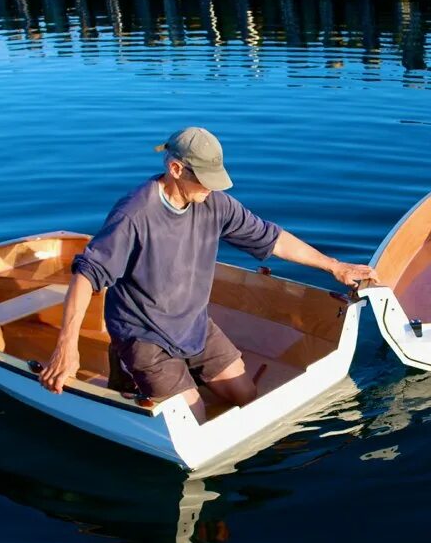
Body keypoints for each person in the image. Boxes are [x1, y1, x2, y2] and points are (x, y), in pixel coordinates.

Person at [39, 127, 378, 423]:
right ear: (175, 168)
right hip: (145, 337)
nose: (211, 189)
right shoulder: (134, 215)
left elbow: (272, 238)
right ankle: (131, 372)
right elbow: (87, 275)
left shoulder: (215, 203)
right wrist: (66, 346)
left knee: (248, 395)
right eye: (203, 181)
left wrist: (335, 265)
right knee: (194, 420)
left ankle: (182, 377)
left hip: (193, 325)